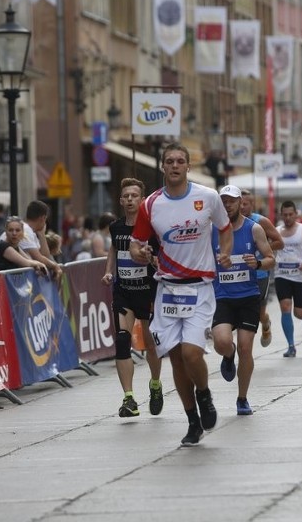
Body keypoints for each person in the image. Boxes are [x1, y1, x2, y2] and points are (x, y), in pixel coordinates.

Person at [130, 143, 232, 446]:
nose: (175, 166)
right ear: (163, 167)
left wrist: (224, 253)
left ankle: (204, 394)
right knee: (175, 359)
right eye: (169, 161)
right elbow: (136, 244)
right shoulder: (150, 204)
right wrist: (140, 253)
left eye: (180, 161)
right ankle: (192, 422)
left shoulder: (208, 197)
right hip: (167, 290)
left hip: (199, 288)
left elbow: (225, 228)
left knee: (191, 353)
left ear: (188, 166)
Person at [101, 179, 164, 418]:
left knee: (150, 345)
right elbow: (114, 250)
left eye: (134, 196)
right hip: (124, 291)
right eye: (125, 196)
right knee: (122, 340)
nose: (129, 199)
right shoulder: (116, 227)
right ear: (120, 201)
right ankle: (128, 398)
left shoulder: (152, 229)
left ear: (142, 200)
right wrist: (109, 272)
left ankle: (155, 385)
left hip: (146, 291)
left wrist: (151, 258)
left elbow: (161, 259)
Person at [211, 185, 275, 416]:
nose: (228, 205)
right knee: (221, 342)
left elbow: (270, 259)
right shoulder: (211, 230)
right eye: (224, 201)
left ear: (240, 203)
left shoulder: (254, 229)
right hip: (222, 297)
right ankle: (228, 356)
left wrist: (256, 264)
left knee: (246, 349)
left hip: (248, 296)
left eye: (232, 201)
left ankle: (242, 398)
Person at [240, 189, 284, 347]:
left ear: (252, 205)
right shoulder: (229, 223)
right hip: (238, 274)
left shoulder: (261, 221)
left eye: (246, 204)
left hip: (259, 274)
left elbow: (280, 242)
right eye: (240, 203)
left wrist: (261, 246)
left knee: (258, 312)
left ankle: (265, 324)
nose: (242, 207)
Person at [274, 200, 302, 357]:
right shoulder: (276, 231)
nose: (288, 217)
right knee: (285, 307)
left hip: (300, 276)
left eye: (291, 214)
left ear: (296, 214)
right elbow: (270, 249)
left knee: (298, 312)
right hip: (281, 274)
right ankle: (291, 346)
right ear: (281, 215)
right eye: (285, 215)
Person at [0, 201, 61, 278]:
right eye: (10, 230)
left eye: (17, 230)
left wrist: (42, 235)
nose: (14, 233)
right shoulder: (4, 246)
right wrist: (55, 266)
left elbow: (36, 259)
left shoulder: (16, 246)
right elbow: (29, 262)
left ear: (22, 232)